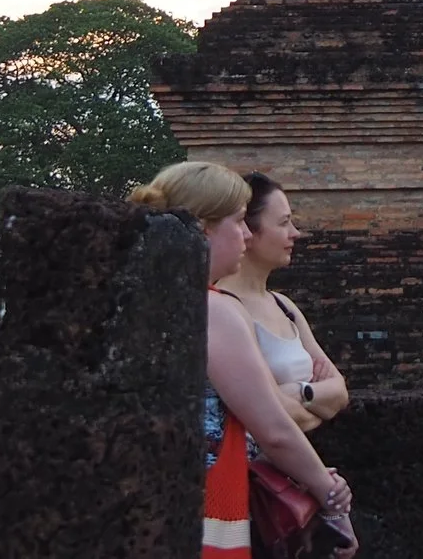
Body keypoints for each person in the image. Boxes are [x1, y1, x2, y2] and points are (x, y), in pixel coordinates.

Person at [131, 161, 351, 559]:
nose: (247, 234)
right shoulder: (214, 309)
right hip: (211, 503)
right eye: (238, 222)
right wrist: (329, 492)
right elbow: (274, 430)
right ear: (203, 229)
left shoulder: (145, 302)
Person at [216, 173, 350, 435]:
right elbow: (270, 413)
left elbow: (340, 392)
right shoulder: (223, 307)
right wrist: (312, 402)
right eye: (284, 223)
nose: (295, 233)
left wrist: (299, 391)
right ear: (248, 232)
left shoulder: (284, 306)